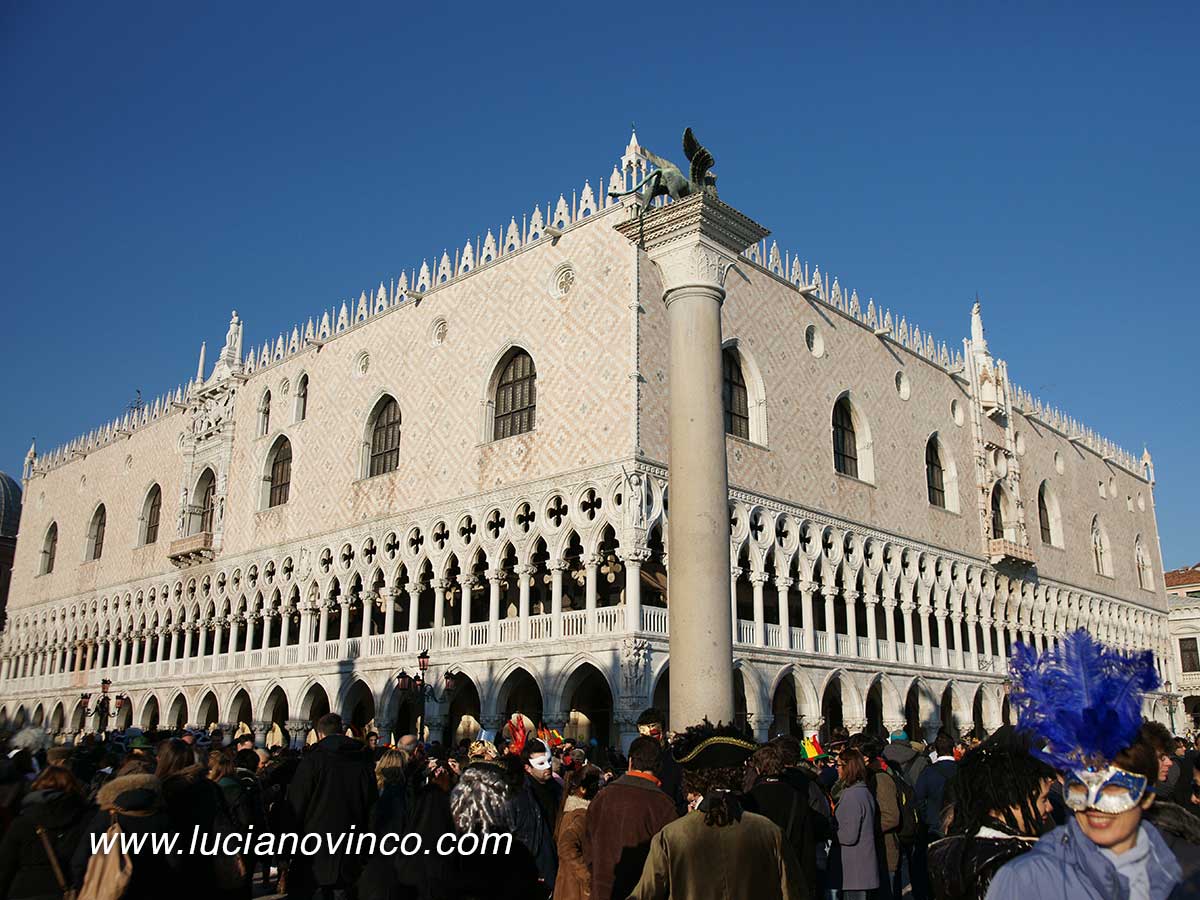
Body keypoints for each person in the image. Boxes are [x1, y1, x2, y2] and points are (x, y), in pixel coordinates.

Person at [985, 630, 1183, 900]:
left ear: (1144, 794)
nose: (1092, 805)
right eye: (1079, 787)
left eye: (1113, 788)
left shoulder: (1181, 864)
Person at [628, 722, 806, 900]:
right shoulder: (770, 833)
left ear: (693, 781)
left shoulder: (671, 837)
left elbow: (644, 895)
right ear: (739, 776)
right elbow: (793, 893)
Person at [926, 726, 1054, 900]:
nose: (1049, 808)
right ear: (1014, 799)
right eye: (1043, 799)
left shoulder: (964, 850)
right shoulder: (1006, 866)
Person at [287, 713, 379, 900]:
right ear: (343, 731)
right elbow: (371, 806)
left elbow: (296, 804)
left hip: (313, 849)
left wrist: (286, 848)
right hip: (350, 847)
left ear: (320, 734)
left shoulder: (313, 760)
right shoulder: (361, 761)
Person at [585, 735, 678, 900]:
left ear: (630, 762)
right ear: (659, 766)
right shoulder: (664, 806)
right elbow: (671, 862)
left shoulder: (602, 797)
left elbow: (588, 847)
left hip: (603, 891)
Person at [0, 765, 94, 900]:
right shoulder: (86, 820)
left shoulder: (22, 822)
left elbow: (5, 866)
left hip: (24, 890)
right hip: (68, 890)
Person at [744, 742, 820, 889]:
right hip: (792, 869)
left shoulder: (749, 799)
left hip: (761, 872)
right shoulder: (798, 797)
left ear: (758, 769)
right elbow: (807, 844)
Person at [911, 732, 958, 899]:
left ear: (936, 751)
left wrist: (927, 818)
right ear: (953, 749)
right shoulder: (963, 770)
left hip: (934, 829)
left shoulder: (928, 772)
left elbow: (918, 799)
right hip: (959, 829)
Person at [835, 748, 880, 900]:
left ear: (848, 767)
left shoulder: (852, 795)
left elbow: (849, 836)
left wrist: (831, 831)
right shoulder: (863, 791)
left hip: (854, 870)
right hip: (861, 868)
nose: (837, 769)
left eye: (839, 765)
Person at [554, 764, 601, 900]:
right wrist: (587, 877)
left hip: (569, 887)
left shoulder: (571, 811)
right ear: (583, 789)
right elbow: (565, 846)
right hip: (576, 890)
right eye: (597, 786)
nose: (600, 790)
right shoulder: (580, 816)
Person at [637, 708, 686, 814]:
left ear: (663, 732)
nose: (649, 740)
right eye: (644, 736)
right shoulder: (637, 760)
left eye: (654, 734)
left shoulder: (675, 759)